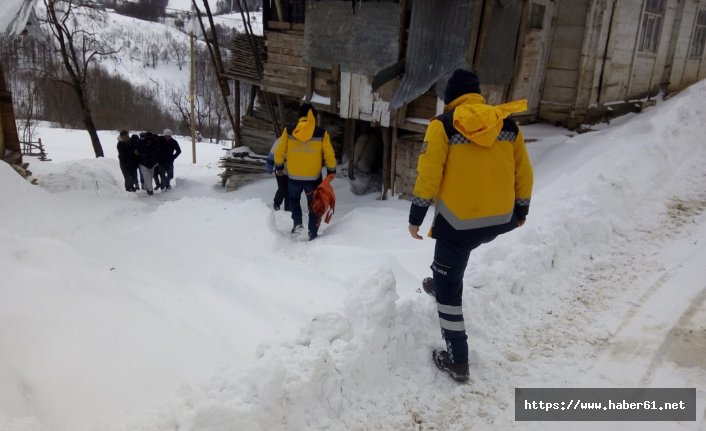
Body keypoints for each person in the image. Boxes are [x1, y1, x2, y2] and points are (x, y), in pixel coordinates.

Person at [408, 69, 534, 383]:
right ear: (477, 95)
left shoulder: (443, 125)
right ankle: (439, 280)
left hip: (459, 222)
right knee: (451, 260)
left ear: (450, 100)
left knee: (451, 287)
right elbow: (524, 172)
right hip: (499, 219)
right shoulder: (506, 123)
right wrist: (521, 210)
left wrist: (416, 217)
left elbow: (429, 173)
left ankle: (457, 360)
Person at [274, 103, 336, 240]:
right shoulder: (321, 133)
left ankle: (297, 224)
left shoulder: (289, 131)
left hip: (294, 178)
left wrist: (279, 167)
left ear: (300, 116)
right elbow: (329, 154)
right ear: (312, 116)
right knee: (314, 204)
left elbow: (279, 152)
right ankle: (312, 231)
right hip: (313, 179)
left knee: (294, 200)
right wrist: (331, 170)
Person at [265, 137, 290, 211]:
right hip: (280, 169)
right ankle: (276, 204)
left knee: (289, 190)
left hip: (292, 171)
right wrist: (269, 166)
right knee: (282, 188)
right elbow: (272, 154)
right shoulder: (280, 141)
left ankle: (288, 208)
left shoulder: (297, 141)